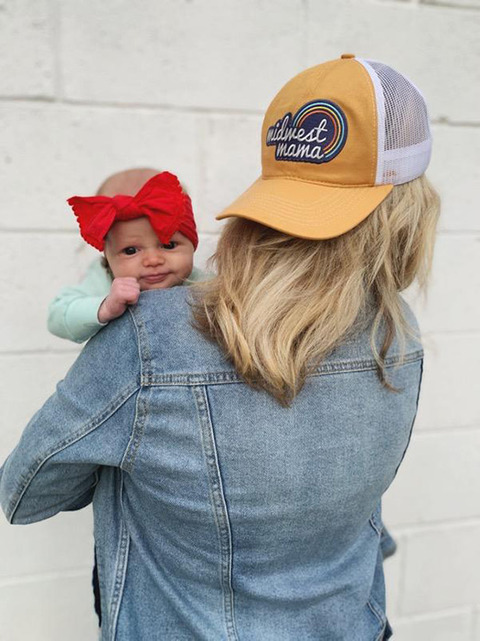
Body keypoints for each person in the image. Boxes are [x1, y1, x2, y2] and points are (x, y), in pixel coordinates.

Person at [0, 54, 440, 640]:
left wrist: (136, 443)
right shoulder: (399, 333)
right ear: (409, 213)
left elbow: (25, 494)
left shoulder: (152, 333)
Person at [47, 168, 206, 344]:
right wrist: (105, 307)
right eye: (131, 251)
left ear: (192, 243)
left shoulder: (201, 284)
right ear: (107, 256)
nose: (153, 260)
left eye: (169, 245)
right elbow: (57, 315)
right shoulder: (105, 278)